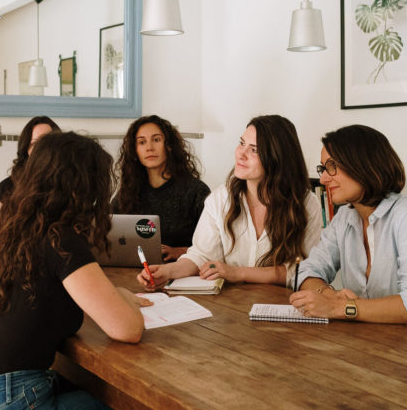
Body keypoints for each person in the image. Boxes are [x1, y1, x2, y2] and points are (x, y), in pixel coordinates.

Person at [0, 132, 151, 410]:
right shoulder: (60, 239)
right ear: (81, 186)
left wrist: (112, 296)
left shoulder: (9, 229)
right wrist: (127, 302)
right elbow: (128, 329)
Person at [289, 125, 407, 325]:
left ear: (362, 164)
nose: (323, 178)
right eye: (323, 168)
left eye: (331, 166)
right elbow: (306, 271)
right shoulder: (344, 217)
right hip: (375, 334)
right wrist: (327, 294)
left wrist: (338, 307)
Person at [138, 115, 322, 289]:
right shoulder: (220, 199)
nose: (241, 154)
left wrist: (237, 273)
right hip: (232, 306)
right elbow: (201, 255)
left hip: (284, 306)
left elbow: (301, 271)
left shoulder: (306, 203)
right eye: (241, 143)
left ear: (277, 158)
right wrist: (166, 271)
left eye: (254, 150)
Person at [113, 115, 211, 262]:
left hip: (182, 271)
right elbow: (106, 231)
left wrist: (181, 252)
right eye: (142, 142)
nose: (149, 147)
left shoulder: (196, 191)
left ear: (169, 146)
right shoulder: (127, 192)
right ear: (135, 151)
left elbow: (214, 244)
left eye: (156, 140)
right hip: (135, 271)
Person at [0, 116, 60, 222]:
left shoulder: (71, 186)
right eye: (34, 144)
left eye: (46, 142)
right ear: (26, 150)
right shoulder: (7, 187)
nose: (41, 149)